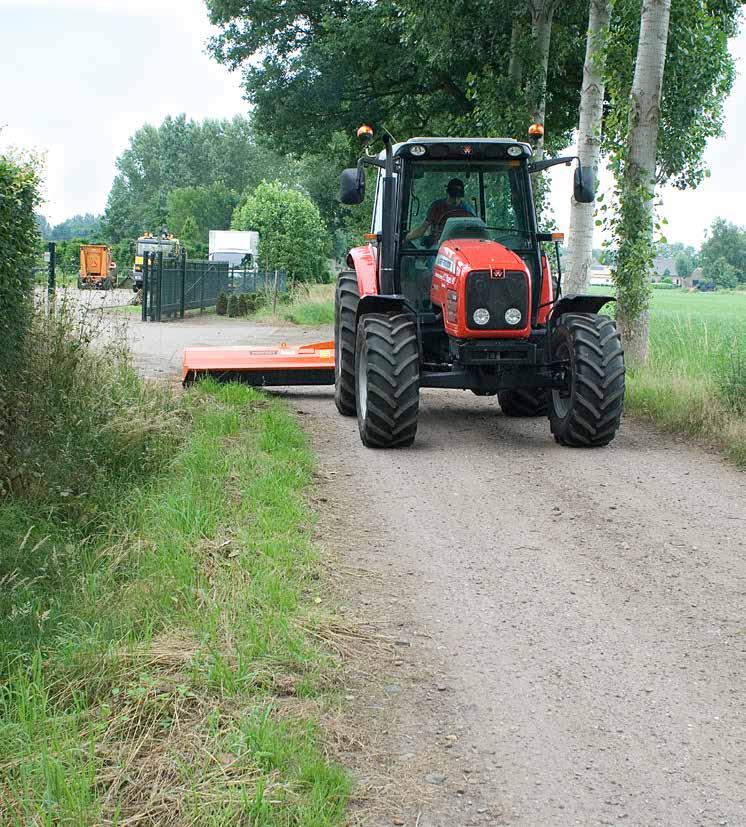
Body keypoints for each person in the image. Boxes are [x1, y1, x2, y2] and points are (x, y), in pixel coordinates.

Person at [406, 178, 476, 245]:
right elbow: (423, 228)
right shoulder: (436, 207)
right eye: (453, 196)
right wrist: (406, 237)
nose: (455, 200)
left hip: (461, 247)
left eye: (458, 197)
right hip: (438, 247)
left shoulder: (468, 211)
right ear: (447, 193)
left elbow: (476, 231)